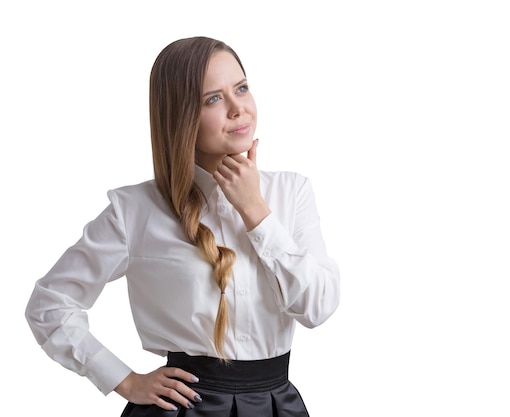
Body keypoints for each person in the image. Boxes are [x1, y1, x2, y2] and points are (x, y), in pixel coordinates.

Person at [25, 36, 340, 417]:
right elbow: (49, 304)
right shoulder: (135, 210)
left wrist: (255, 211)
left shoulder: (292, 192)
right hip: (181, 408)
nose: (238, 108)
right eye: (214, 99)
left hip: (276, 405)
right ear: (181, 115)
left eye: (241, 88)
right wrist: (123, 380)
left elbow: (317, 307)